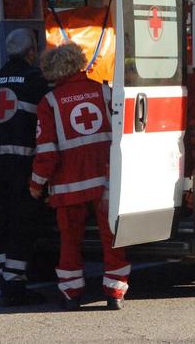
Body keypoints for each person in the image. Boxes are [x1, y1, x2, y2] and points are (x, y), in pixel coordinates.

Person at [29, 43, 130, 310]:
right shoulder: (104, 92)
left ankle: (72, 294)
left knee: (70, 242)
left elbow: (47, 151)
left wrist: (36, 184)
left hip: (68, 186)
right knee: (111, 238)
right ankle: (115, 292)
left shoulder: (49, 103)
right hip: (106, 181)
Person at [0, 28, 49, 306]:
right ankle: (14, 285)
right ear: (32, 52)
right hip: (23, 163)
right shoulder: (36, 80)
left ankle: (4, 275)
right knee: (23, 222)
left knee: (2, 219)